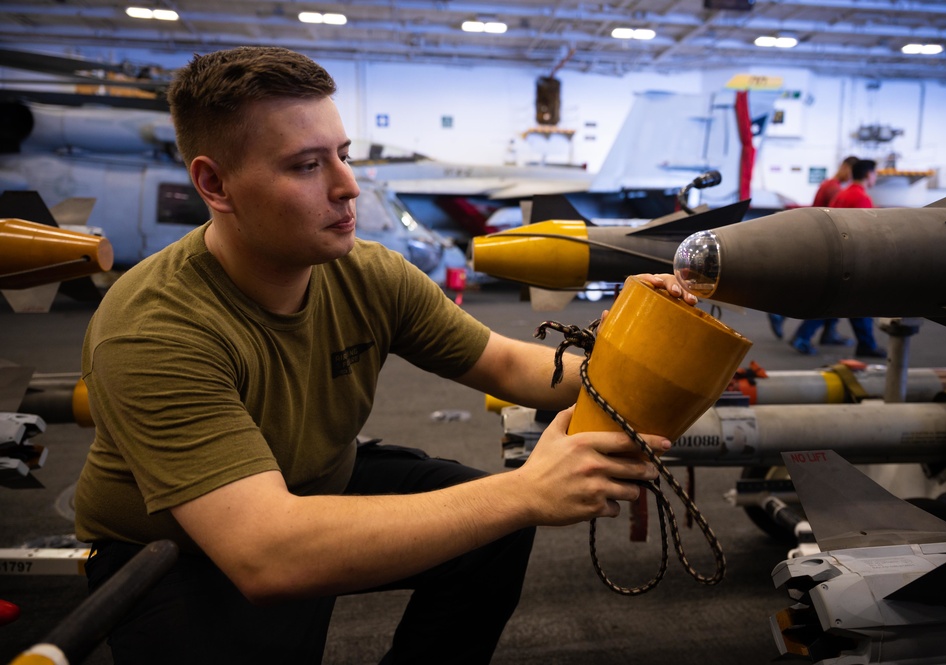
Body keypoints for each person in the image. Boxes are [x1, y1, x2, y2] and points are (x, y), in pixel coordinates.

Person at [73, 46, 696, 665]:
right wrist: (527, 492)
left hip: (317, 486)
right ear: (215, 184)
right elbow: (266, 553)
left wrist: (634, 342)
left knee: (492, 537)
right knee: (487, 514)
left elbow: (509, 365)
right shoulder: (155, 326)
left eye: (343, 156)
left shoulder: (367, 273)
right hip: (180, 547)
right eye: (306, 166)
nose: (349, 188)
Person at [790, 159, 886, 358]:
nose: (875, 177)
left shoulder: (841, 194)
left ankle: (861, 343)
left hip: (836, 256)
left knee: (842, 302)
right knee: (853, 302)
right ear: (868, 175)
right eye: (875, 173)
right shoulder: (862, 199)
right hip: (852, 259)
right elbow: (866, 234)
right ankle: (803, 336)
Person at [775, 156, 860, 349]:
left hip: (821, 242)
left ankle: (828, 332)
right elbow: (835, 220)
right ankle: (782, 316)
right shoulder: (835, 189)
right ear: (846, 168)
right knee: (825, 292)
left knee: (826, 291)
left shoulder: (831, 185)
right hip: (827, 246)